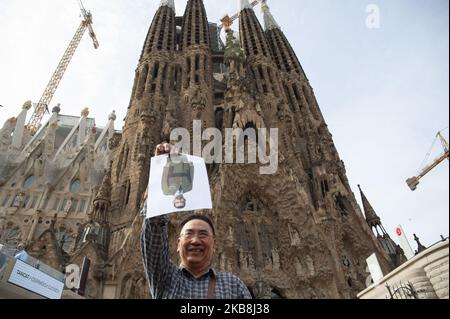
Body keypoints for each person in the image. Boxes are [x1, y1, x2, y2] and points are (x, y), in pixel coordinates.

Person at [141, 142, 252, 299]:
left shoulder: (233, 286)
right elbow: (154, 235)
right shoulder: (165, 279)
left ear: (215, 245)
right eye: (189, 234)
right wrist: (160, 174)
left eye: (203, 234)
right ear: (177, 244)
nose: (195, 240)